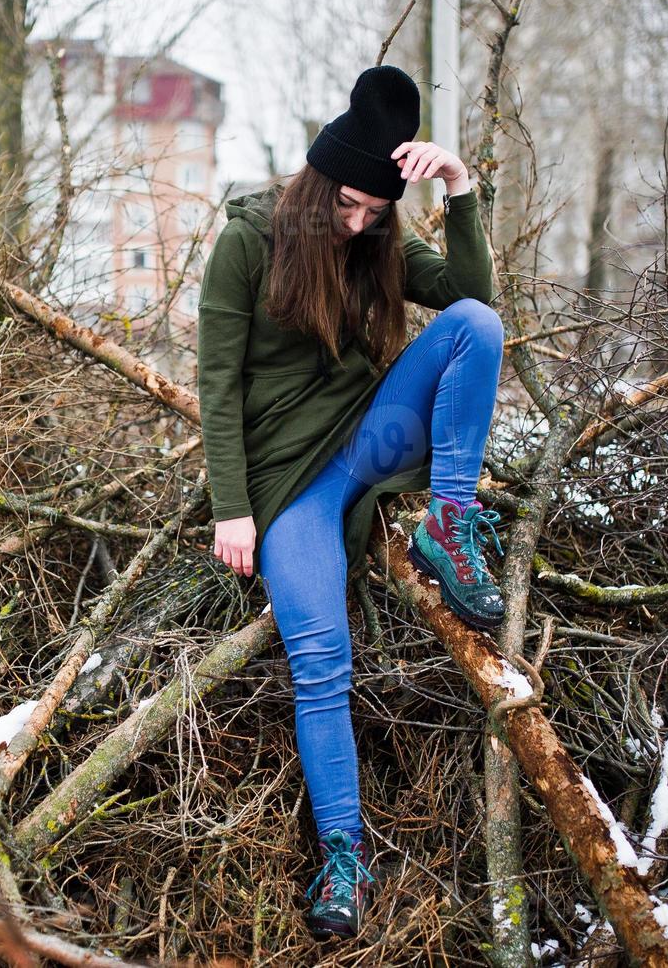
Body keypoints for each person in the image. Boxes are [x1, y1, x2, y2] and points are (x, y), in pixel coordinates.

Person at [194, 64, 504, 940]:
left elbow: (473, 300)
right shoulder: (249, 241)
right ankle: (343, 858)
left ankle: (451, 524)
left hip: (367, 447)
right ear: (317, 183)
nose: (360, 223)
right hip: (286, 486)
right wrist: (230, 507)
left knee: (476, 329)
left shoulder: (378, 242)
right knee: (321, 657)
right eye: (348, 207)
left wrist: (459, 188)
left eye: (377, 211)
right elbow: (216, 382)